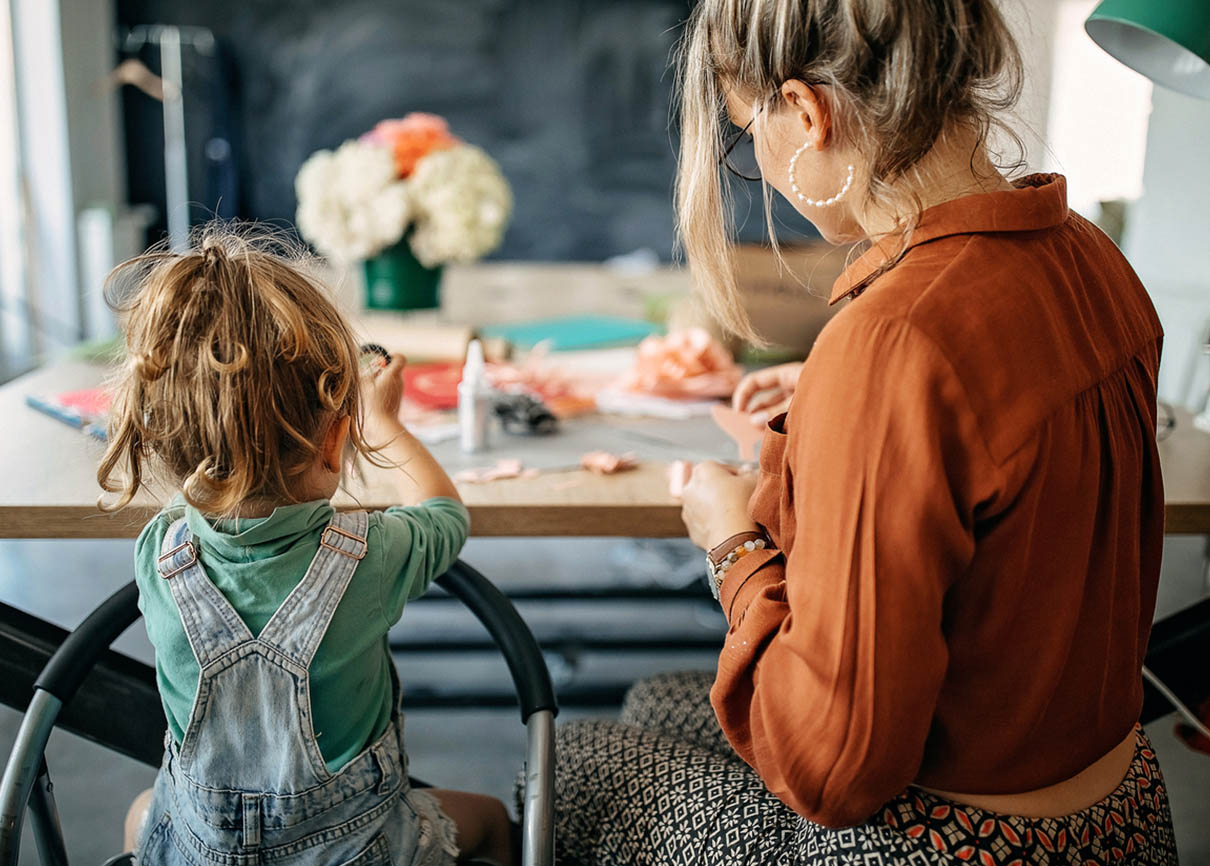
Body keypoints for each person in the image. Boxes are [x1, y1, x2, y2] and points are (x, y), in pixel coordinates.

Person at [549, 1, 1180, 863]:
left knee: (572, 759)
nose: (762, 167)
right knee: (660, 700)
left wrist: (729, 539)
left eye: (749, 133)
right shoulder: (1087, 255)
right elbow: (997, 419)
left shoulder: (893, 341)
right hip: (1119, 813)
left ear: (810, 114)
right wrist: (831, 402)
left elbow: (832, 770)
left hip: (961, 843)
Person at [101, 228, 517, 866]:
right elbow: (444, 513)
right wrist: (386, 424)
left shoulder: (160, 548)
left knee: (141, 813)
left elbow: (215, 482)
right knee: (489, 819)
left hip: (199, 851)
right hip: (359, 851)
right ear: (334, 441)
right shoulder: (371, 555)